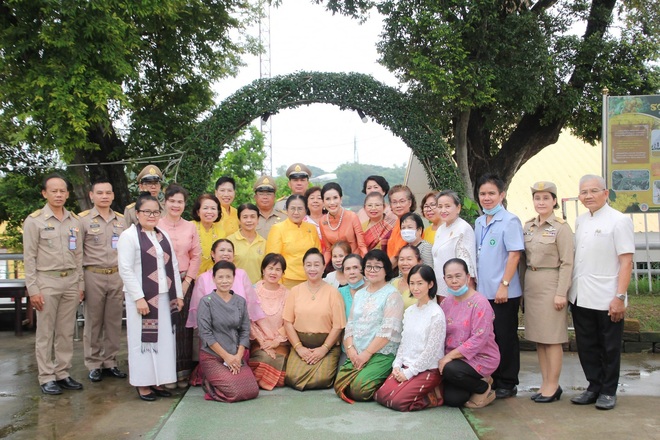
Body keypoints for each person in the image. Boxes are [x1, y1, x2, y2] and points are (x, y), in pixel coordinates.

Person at [569, 175, 634, 410]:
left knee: (609, 346)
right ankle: (593, 386)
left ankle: (608, 390)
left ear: (606, 193)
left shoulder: (619, 221)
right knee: (586, 345)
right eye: (584, 192)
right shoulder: (580, 220)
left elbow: (626, 262)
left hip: (607, 296)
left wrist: (619, 297)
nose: (588, 196)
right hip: (580, 294)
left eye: (594, 191)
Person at [117, 193, 184, 401]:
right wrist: (138, 297)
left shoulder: (161, 234)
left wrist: (178, 295)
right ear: (137, 214)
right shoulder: (129, 236)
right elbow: (125, 269)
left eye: (156, 211)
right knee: (142, 342)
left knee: (163, 342)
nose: (151, 215)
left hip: (164, 297)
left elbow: (173, 266)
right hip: (142, 299)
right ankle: (143, 384)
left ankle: (158, 381)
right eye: (147, 211)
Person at [23, 174, 84, 395]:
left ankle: (63, 373)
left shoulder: (74, 221)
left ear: (68, 193)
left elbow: (79, 255)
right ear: (44, 193)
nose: (58, 195)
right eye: (54, 191)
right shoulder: (35, 221)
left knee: (66, 332)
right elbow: (28, 258)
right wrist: (33, 289)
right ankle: (46, 376)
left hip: (70, 281)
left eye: (62, 191)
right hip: (46, 281)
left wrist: (80, 285)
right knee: (45, 332)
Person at [523, 182, 574, 403]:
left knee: (553, 338)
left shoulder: (561, 228)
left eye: (546, 198)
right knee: (540, 339)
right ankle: (545, 383)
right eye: (537, 198)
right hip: (532, 285)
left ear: (554, 201)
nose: (541, 202)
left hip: (551, 284)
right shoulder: (529, 226)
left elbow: (567, 263)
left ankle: (553, 386)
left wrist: (561, 292)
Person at [474, 173, 524, 399]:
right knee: (489, 337)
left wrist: (504, 285)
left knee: (506, 336)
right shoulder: (479, 221)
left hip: (504, 292)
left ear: (502, 195)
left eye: (491, 193)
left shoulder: (510, 220)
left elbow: (514, 255)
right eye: (483, 193)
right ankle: (494, 378)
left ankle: (508, 381)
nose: (487, 198)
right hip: (484, 292)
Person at [335, 249, 404, 403]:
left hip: (381, 353)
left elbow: (388, 331)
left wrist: (366, 354)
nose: (372, 270)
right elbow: (350, 324)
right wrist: (351, 350)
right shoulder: (360, 294)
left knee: (360, 390)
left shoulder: (392, 295)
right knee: (339, 383)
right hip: (357, 353)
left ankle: (387, 379)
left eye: (377, 266)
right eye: (368, 266)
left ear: (386, 269)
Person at [375, 264, 445, 411]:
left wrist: (408, 373)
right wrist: (396, 365)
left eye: (420, 283)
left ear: (430, 284)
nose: (415, 288)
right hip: (406, 365)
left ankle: (433, 396)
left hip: (427, 369)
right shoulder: (410, 311)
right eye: (412, 283)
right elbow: (404, 343)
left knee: (397, 402)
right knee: (380, 396)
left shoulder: (436, 313)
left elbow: (431, 352)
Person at [79, 179, 128, 383]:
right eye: (100, 193)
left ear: (113, 195)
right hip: (93, 274)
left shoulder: (121, 220)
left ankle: (110, 361)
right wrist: (80, 283)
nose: (104, 196)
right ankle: (93, 363)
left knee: (114, 321)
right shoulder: (82, 220)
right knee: (93, 321)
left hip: (116, 275)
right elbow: (77, 253)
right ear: (92, 196)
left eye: (108, 193)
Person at [438, 258, 499, 408]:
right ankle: (477, 382)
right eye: (449, 277)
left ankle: (483, 388)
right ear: (444, 279)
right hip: (453, 360)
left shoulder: (480, 303)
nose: (454, 281)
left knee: (449, 370)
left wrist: (448, 358)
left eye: (458, 276)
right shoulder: (446, 303)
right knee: (453, 400)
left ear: (468, 277)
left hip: (479, 357)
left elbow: (479, 339)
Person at [283, 248, 346, 390]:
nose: (312, 269)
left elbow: (338, 326)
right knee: (292, 377)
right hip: (301, 344)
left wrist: (323, 349)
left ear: (324, 267)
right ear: (303, 267)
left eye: (317, 265)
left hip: (326, 345)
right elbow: (287, 322)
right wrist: (299, 348)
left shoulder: (333, 292)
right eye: (308, 265)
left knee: (322, 379)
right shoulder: (295, 291)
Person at [158, 184, 202, 388]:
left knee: (183, 328)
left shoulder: (190, 226)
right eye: (172, 201)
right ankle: (164, 374)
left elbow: (196, 256)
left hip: (184, 281)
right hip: (159, 284)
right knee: (163, 328)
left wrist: (186, 283)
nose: (176, 205)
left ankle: (182, 372)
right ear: (165, 202)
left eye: (180, 202)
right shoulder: (155, 224)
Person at [197, 261, 259, 402]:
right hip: (213, 356)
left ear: (233, 278)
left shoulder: (240, 301)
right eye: (220, 277)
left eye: (228, 277)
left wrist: (238, 356)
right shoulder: (206, 302)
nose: (224, 281)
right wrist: (227, 357)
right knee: (235, 392)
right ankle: (209, 384)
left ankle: (223, 378)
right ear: (213, 279)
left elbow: (244, 330)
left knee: (252, 390)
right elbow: (205, 334)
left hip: (235, 355)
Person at [248, 253, 290, 390]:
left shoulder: (287, 294)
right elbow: (249, 321)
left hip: (281, 343)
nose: (273, 272)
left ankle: (262, 380)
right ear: (263, 270)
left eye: (278, 269)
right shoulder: (253, 291)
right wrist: (263, 342)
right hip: (259, 343)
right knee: (265, 359)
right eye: (270, 268)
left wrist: (276, 341)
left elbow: (289, 321)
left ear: (283, 273)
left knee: (285, 366)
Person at [265, 195, 322, 289]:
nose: (296, 212)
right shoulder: (278, 228)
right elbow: (273, 260)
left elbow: (318, 255)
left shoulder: (311, 228)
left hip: (310, 279)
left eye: (300, 209)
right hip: (287, 281)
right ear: (287, 210)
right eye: (292, 208)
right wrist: (277, 284)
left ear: (306, 210)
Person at [432, 190, 477, 295]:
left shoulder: (463, 228)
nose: (443, 210)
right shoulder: (441, 229)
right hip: (441, 285)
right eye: (440, 206)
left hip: (458, 288)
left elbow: (467, 265)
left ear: (458, 208)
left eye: (447, 206)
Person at [320, 182, 367, 263]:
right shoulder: (322, 221)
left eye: (335, 198)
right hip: (336, 263)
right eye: (328, 199)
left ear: (341, 199)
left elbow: (361, 245)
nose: (332, 202)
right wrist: (321, 267)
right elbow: (328, 250)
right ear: (323, 202)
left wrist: (365, 263)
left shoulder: (352, 216)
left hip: (354, 261)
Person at [227, 203, 266, 284]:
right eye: (245, 217)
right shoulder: (229, 241)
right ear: (239, 220)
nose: (249, 220)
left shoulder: (264, 242)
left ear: (258, 219)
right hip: (234, 287)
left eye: (252, 217)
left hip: (257, 288)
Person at [191, 194, 225, 275]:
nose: (209, 212)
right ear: (198, 212)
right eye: (205, 208)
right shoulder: (190, 227)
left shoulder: (221, 232)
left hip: (212, 277)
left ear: (218, 212)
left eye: (213, 208)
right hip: (189, 277)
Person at [386, 185, 416, 268]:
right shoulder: (398, 222)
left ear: (410, 202)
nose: (398, 205)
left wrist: (385, 272)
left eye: (402, 201)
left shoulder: (411, 223)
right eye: (394, 202)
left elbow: (397, 255)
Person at [391, 245, 422, 309]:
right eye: (401, 259)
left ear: (419, 262)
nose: (405, 263)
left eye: (409, 259)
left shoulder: (424, 286)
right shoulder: (393, 283)